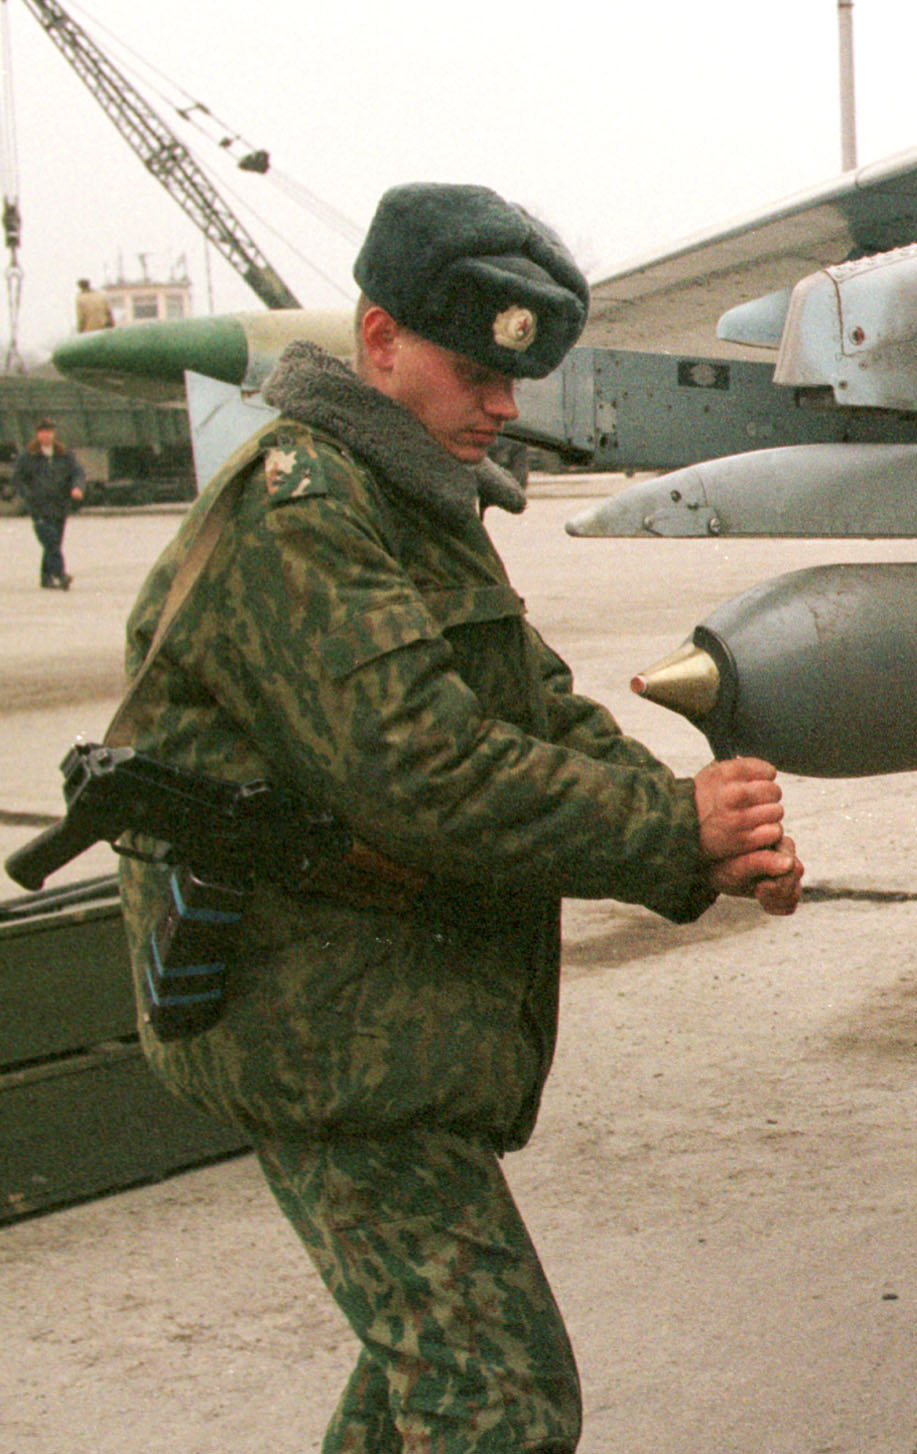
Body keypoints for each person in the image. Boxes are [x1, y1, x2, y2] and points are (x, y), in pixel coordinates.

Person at [115, 182, 803, 1452]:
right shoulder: (302, 509)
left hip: (384, 1014)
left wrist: (699, 826)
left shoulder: (407, 501)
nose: (503, 401)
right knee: (494, 1398)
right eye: (473, 367)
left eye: (518, 374)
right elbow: (419, 763)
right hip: (317, 1025)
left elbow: (531, 704)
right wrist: (666, 829)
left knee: (422, 1382)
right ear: (378, 340)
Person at [17, 416, 84, 588]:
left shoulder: (64, 454)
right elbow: (18, 480)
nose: (45, 436)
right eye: (42, 432)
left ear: (53, 434)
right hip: (39, 508)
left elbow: (77, 473)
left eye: (48, 432)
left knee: (53, 543)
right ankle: (61, 575)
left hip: (60, 506)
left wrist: (77, 488)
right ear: (37, 434)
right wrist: (28, 496)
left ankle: (45, 579)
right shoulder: (28, 456)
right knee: (52, 541)